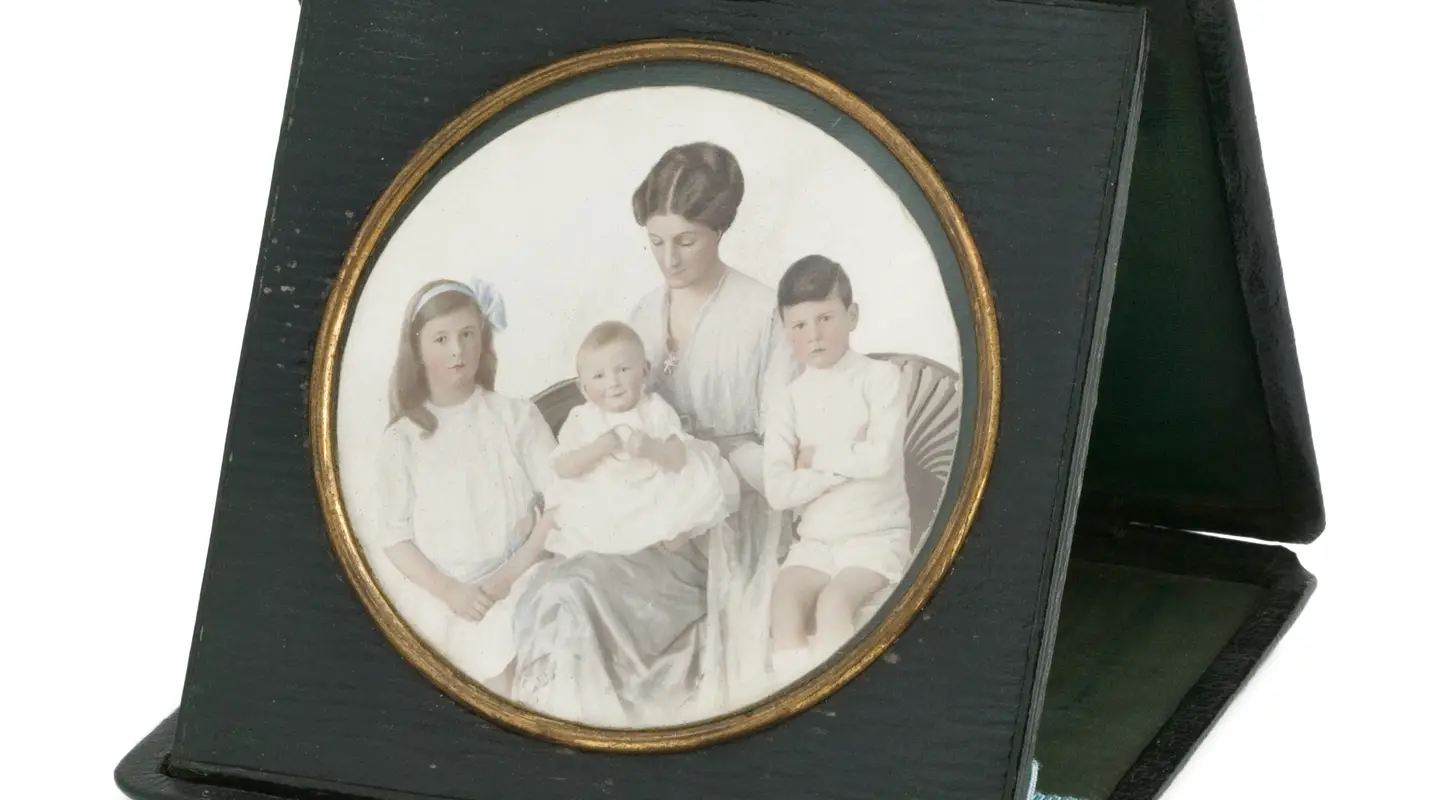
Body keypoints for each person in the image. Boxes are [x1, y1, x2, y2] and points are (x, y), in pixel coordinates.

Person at [509, 142, 798, 726]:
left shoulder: (765, 313)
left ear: (720, 229)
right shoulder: (642, 312)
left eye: (686, 241)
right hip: (641, 506)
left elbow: (783, 454)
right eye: (657, 241)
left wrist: (697, 493)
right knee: (550, 589)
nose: (669, 258)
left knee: (576, 592)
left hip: (725, 519)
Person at [371, 278, 557, 696]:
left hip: (523, 574)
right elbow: (395, 538)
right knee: (483, 688)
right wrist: (452, 592)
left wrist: (512, 573)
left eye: (467, 335)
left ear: (482, 340)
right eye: (441, 339)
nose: (457, 350)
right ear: (417, 350)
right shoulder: (404, 439)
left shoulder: (514, 416)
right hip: (446, 594)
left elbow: (561, 501)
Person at [761, 255, 912, 682]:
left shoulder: (879, 378)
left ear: (852, 315)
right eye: (799, 325)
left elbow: (880, 458)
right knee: (785, 604)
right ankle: (789, 699)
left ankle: (832, 701)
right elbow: (778, 490)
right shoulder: (788, 400)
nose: (814, 335)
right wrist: (846, 462)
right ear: (786, 330)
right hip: (817, 540)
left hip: (874, 536)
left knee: (833, 605)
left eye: (825, 318)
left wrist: (814, 457)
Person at [544, 320, 739, 559]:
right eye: (599, 376)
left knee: (692, 488)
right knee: (585, 522)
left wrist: (651, 448)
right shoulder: (582, 419)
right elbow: (563, 467)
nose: (613, 382)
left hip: (652, 487)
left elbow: (677, 458)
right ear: (583, 388)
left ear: (644, 372)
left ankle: (664, 547)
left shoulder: (654, 409)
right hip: (606, 495)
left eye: (623, 369)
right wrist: (597, 449)